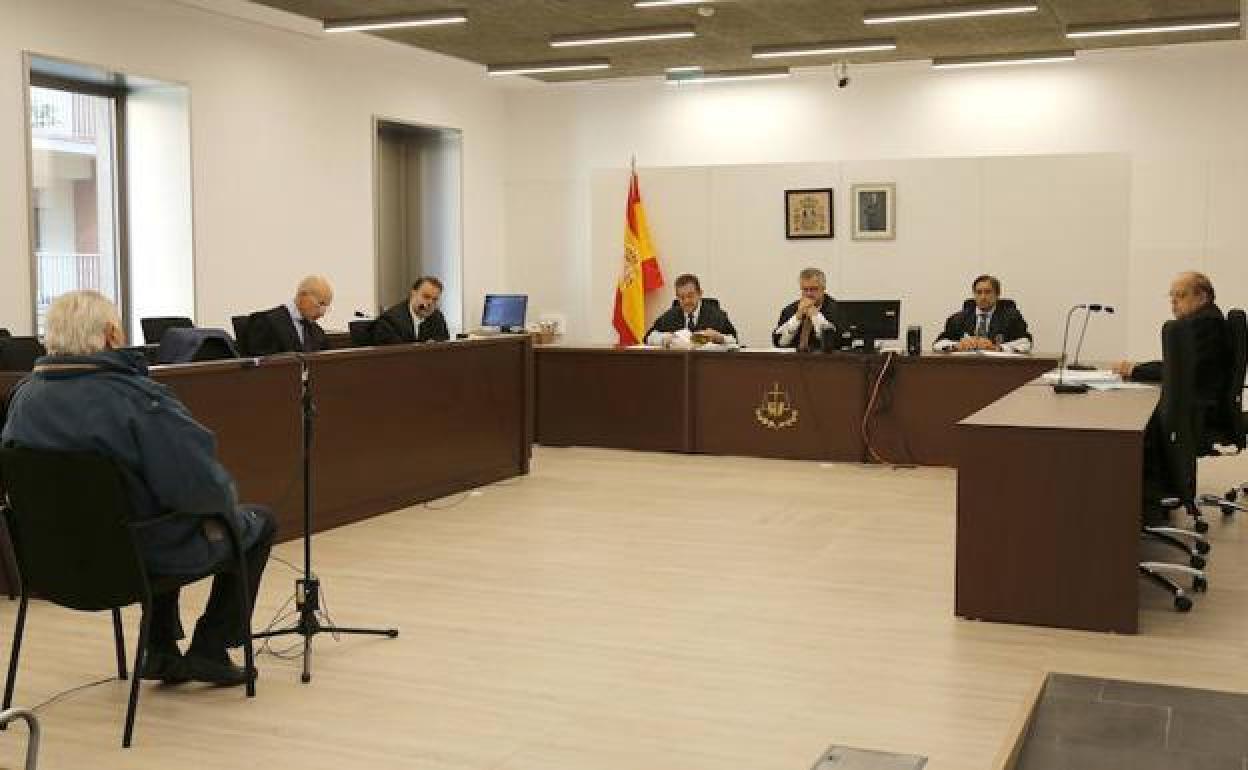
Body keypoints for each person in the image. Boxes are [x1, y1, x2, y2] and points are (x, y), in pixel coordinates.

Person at [1, 291, 275, 686]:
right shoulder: (137, 400)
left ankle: (159, 649)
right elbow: (198, 489)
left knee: (146, 505)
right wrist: (228, 504)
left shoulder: (22, 398)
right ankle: (210, 649)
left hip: (50, 564)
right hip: (138, 559)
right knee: (255, 521)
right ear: (113, 334)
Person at [1112, 272, 1229, 518]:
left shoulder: (1204, 324)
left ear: (1202, 296)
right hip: (1198, 405)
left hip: (1199, 410)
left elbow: (1179, 369)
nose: (1174, 302)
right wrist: (1139, 368)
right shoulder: (1205, 320)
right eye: (1172, 296)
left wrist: (1136, 370)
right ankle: (1158, 496)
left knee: (1144, 424)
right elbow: (1176, 365)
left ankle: (1151, 501)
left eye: (1181, 295)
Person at [933, 275, 1032, 353]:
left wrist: (996, 347)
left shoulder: (1011, 317)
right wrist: (957, 345)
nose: (983, 297)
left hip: (1000, 369)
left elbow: (1026, 343)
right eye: (978, 292)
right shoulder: (958, 318)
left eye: (988, 292)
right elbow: (938, 344)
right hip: (967, 368)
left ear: (997, 295)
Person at [244, 275, 333, 355]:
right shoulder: (266, 322)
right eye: (320, 304)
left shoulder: (318, 332)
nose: (322, 313)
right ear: (303, 295)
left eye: (326, 307)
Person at [644, 273, 738, 348]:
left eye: (690, 295)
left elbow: (735, 340)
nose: (686, 301)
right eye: (682, 297)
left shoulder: (717, 315)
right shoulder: (670, 315)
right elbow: (647, 337)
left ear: (700, 293)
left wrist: (719, 338)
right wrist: (664, 338)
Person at [372, 276, 451, 345]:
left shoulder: (437, 317)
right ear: (413, 293)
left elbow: (444, 348)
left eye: (435, 299)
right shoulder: (390, 320)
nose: (430, 303)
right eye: (426, 297)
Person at [773, 267, 837, 350]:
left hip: (825, 361)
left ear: (823, 288)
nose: (809, 294)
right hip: (793, 360)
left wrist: (816, 316)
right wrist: (796, 318)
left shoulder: (836, 309)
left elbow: (835, 343)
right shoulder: (789, 310)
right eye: (805, 289)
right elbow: (779, 343)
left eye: (814, 289)